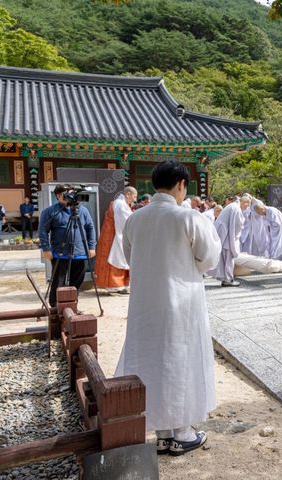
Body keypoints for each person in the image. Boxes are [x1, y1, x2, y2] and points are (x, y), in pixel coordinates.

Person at [115, 160, 221, 456]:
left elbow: (129, 256)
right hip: (181, 301)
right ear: (181, 185)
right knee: (180, 359)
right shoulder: (188, 217)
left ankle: (161, 433)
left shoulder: (135, 219)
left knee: (151, 360)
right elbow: (209, 258)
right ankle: (183, 431)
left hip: (145, 302)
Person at [38, 185, 97, 307]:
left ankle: (72, 305)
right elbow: (43, 230)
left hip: (80, 252)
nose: (68, 197)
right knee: (58, 281)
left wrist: (92, 246)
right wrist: (46, 248)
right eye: (64, 194)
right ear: (58, 196)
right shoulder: (50, 212)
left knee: (77, 281)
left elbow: (90, 228)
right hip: (60, 253)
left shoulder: (83, 210)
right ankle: (55, 306)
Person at [94, 187, 137, 294]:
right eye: (134, 196)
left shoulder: (120, 203)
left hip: (112, 235)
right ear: (128, 194)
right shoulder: (120, 204)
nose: (134, 199)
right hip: (114, 236)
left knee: (118, 259)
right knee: (116, 259)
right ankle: (114, 286)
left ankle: (120, 285)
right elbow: (127, 220)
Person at [210, 195, 249, 287]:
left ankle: (225, 278)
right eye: (247, 205)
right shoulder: (236, 208)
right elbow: (237, 226)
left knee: (225, 258)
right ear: (244, 202)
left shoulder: (232, 206)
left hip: (223, 234)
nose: (247, 207)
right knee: (229, 258)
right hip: (227, 236)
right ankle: (228, 279)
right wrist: (236, 239)